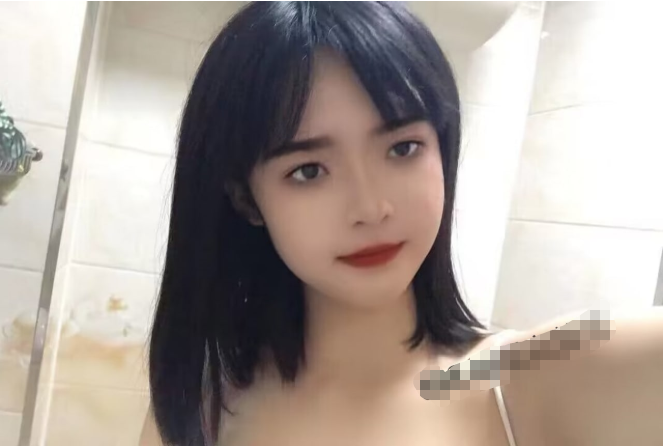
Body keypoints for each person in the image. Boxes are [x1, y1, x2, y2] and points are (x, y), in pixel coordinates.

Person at [140, 2, 663, 445]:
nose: (371, 207)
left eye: (403, 148)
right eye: (309, 171)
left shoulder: (534, 372)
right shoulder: (201, 404)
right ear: (246, 200)